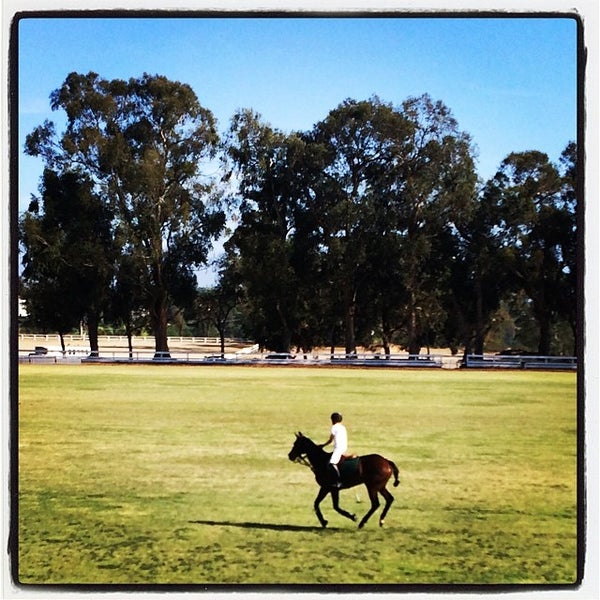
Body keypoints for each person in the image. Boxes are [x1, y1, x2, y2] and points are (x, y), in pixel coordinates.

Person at [320, 412, 348, 488]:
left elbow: (330, 440)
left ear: (333, 420)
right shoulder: (343, 427)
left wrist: (323, 445)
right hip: (344, 447)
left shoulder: (334, 427)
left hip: (338, 448)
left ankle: (338, 481)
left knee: (332, 463)